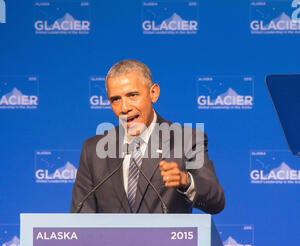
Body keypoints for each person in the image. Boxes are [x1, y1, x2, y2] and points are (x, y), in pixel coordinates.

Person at [70, 59, 225, 214]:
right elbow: (81, 215)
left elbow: (216, 201)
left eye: (132, 95)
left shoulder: (186, 140)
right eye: (116, 99)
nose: (124, 108)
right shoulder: (93, 150)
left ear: (153, 93)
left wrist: (186, 182)